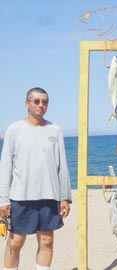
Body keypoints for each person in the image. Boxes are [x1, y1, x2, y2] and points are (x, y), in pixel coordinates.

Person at [0, 87, 72, 270]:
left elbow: (61, 165)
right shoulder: (14, 129)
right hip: (21, 197)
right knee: (16, 241)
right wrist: (3, 200)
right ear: (27, 104)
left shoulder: (54, 130)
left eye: (45, 101)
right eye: (37, 101)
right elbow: (5, 166)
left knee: (47, 241)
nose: (41, 105)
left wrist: (65, 197)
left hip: (49, 196)